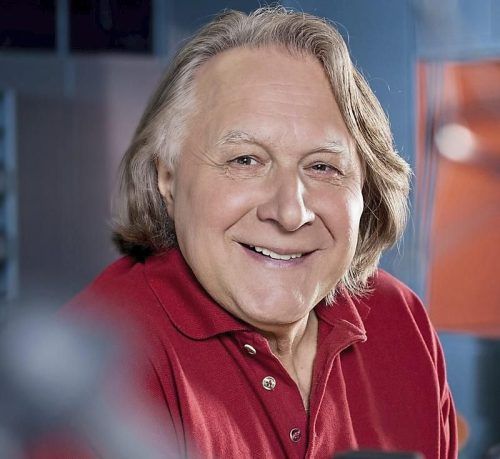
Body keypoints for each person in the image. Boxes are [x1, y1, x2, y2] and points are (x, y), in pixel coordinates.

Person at [56, 7, 457, 459]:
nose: (290, 213)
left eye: (323, 167)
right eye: (245, 160)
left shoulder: (399, 320)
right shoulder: (92, 363)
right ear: (168, 178)